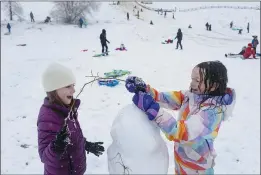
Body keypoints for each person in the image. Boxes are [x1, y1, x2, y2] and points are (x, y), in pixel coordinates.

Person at [125, 60, 236, 174]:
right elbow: (167, 98)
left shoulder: (213, 112)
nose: (192, 83)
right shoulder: (192, 95)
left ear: (213, 86)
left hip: (197, 168)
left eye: (197, 80)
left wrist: (155, 111)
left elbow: (182, 132)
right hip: (182, 160)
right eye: (192, 79)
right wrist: (146, 90)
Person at [37, 63, 105, 175]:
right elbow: (44, 156)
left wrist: (85, 144)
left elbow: (72, 136)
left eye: (73, 85)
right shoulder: (48, 117)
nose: (73, 90)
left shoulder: (68, 109)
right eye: (68, 86)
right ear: (54, 90)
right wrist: (56, 147)